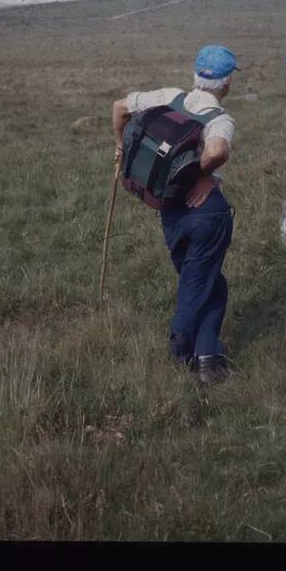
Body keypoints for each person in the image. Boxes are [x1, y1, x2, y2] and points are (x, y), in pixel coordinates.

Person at [111, 45, 239, 385]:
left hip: (169, 209)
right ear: (226, 84)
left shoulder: (168, 96)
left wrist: (121, 146)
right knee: (201, 283)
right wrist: (202, 175)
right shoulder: (220, 119)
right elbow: (217, 150)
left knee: (207, 281)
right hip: (205, 213)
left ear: (195, 75)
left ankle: (208, 358)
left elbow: (119, 107)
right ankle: (182, 344)